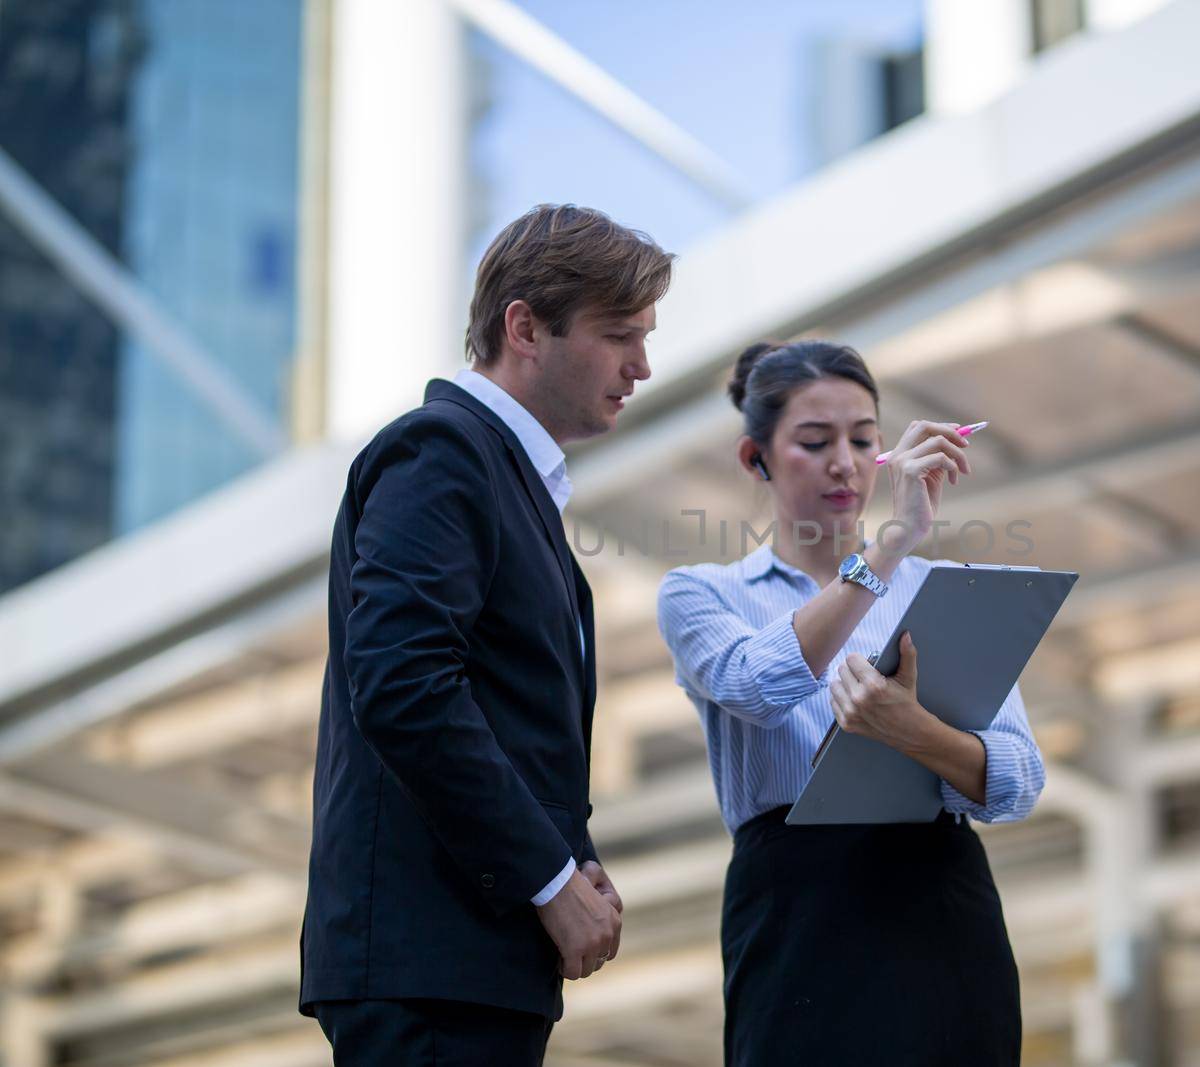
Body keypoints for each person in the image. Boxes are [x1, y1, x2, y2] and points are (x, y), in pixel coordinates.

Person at [300, 204, 673, 1065]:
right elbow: (403, 684)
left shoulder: (501, 473)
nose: (643, 365)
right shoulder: (443, 452)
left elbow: (498, 708)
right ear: (524, 327)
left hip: (466, 963)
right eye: (620, 334)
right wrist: (547, 877)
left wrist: (571, 861)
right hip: (432, 967)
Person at [656, 340, 1045, 1066]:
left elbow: (1019, 779)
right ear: (755, 459)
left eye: (865, 439)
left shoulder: (942, 587)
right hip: (799, 906)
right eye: (814, 440)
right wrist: (888, 548)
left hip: (941, 894)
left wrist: (915, 732)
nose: (845, 461)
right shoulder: (705, 593)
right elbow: (758, 685)